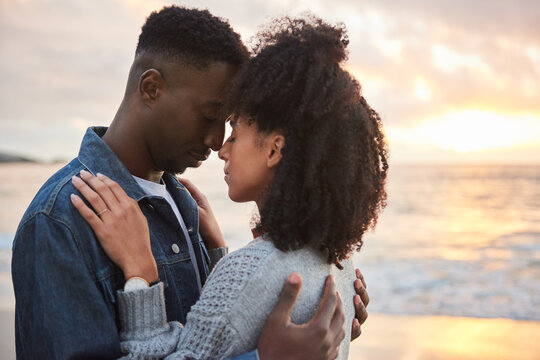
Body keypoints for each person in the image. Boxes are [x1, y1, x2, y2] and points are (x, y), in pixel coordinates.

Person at [11, 6, 369, 360]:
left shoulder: (186, 206)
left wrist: (310, 312)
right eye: (210, 116)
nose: (217, 141)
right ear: (151, 89)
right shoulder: (61, 218)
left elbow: (204, 339)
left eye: (229, 122)